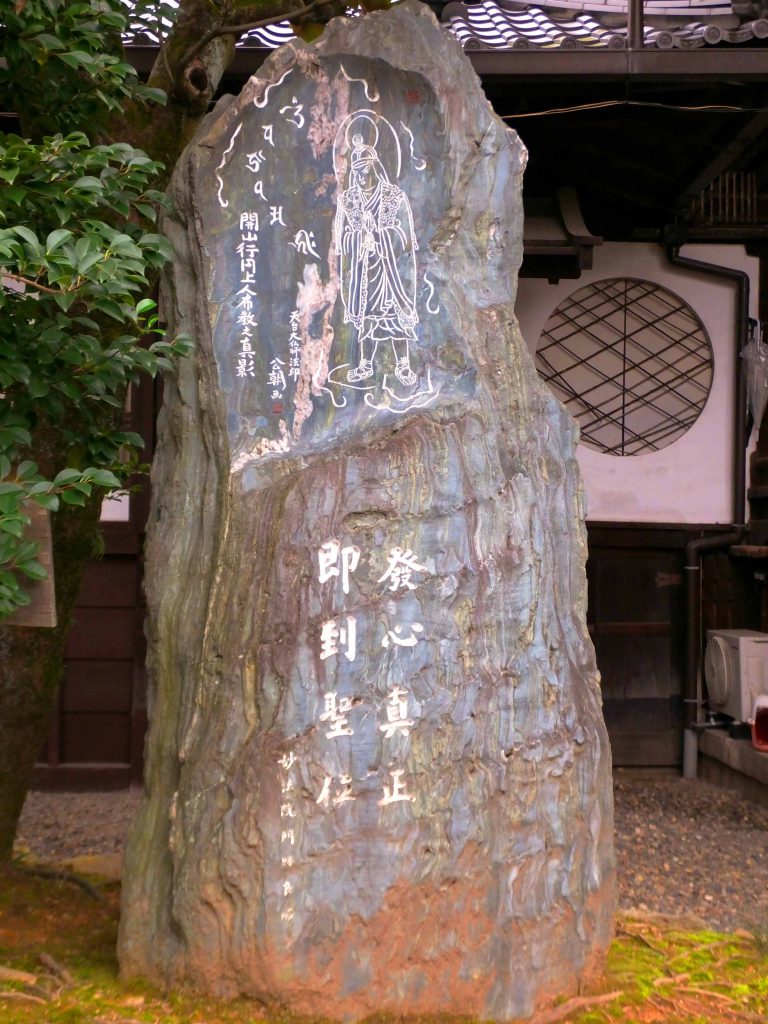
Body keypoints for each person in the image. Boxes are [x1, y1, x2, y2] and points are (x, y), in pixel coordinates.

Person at [335, 133, 418, 387]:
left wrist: (380, 235)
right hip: (363, 269)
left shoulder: (394, 197)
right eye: (356, 172)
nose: (361, 177)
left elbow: (405, 239)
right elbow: (341, 241)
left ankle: (403, 364)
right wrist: (361, 236)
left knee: (394, 316)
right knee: (366, 316)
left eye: (365, 170)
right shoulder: (347, 201)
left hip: (390, 269)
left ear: (376, 168)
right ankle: (364, 363)